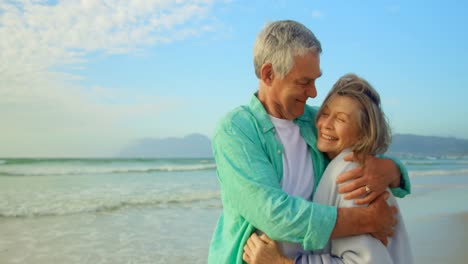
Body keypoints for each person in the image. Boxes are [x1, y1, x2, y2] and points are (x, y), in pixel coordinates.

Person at [208, 20, 411, 264]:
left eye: (315, 80)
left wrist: (392, 171)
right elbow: (274, 215)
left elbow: (361, 143)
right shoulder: (235, 130)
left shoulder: (317, 121)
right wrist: (369, 219)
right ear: (268, 74)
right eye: (304, 82)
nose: (314, 93)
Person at [242, 74, 413, 264]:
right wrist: (395, 170)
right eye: (324, 113)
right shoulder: (351, 166)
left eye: (340, 119)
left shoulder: (355, 176)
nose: (325, 125)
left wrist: (280, 262)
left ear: (364, 133)